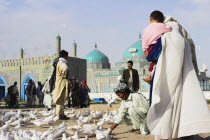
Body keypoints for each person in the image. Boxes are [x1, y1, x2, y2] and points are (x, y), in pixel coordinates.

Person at [146, 11, 210, 140]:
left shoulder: (169, 29)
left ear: (153, 19)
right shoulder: (177, 27)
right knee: (185, 102)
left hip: (173, 71)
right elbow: (190, 46)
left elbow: (173, 45)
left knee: (171, 101)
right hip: (183, 70)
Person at [142, 11, 172, 83]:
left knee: (153, 62)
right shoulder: (161, 25)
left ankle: (149, 76)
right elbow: (169, 28)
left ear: (150, 19)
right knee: (156, 62)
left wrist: (144, 48)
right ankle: (151, 76)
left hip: (149, 47)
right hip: (156, 46)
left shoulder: (146, 28)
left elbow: (144, 39)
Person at [52, 50, 69, 120]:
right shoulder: (61, 63)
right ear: (64, 56)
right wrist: (63, 75)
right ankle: (59, 114)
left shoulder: (59, 62)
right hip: (61, 82)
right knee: (60, 99)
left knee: (62, 99)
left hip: (60, 82)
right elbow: (65, 68)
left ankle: (61, 113)